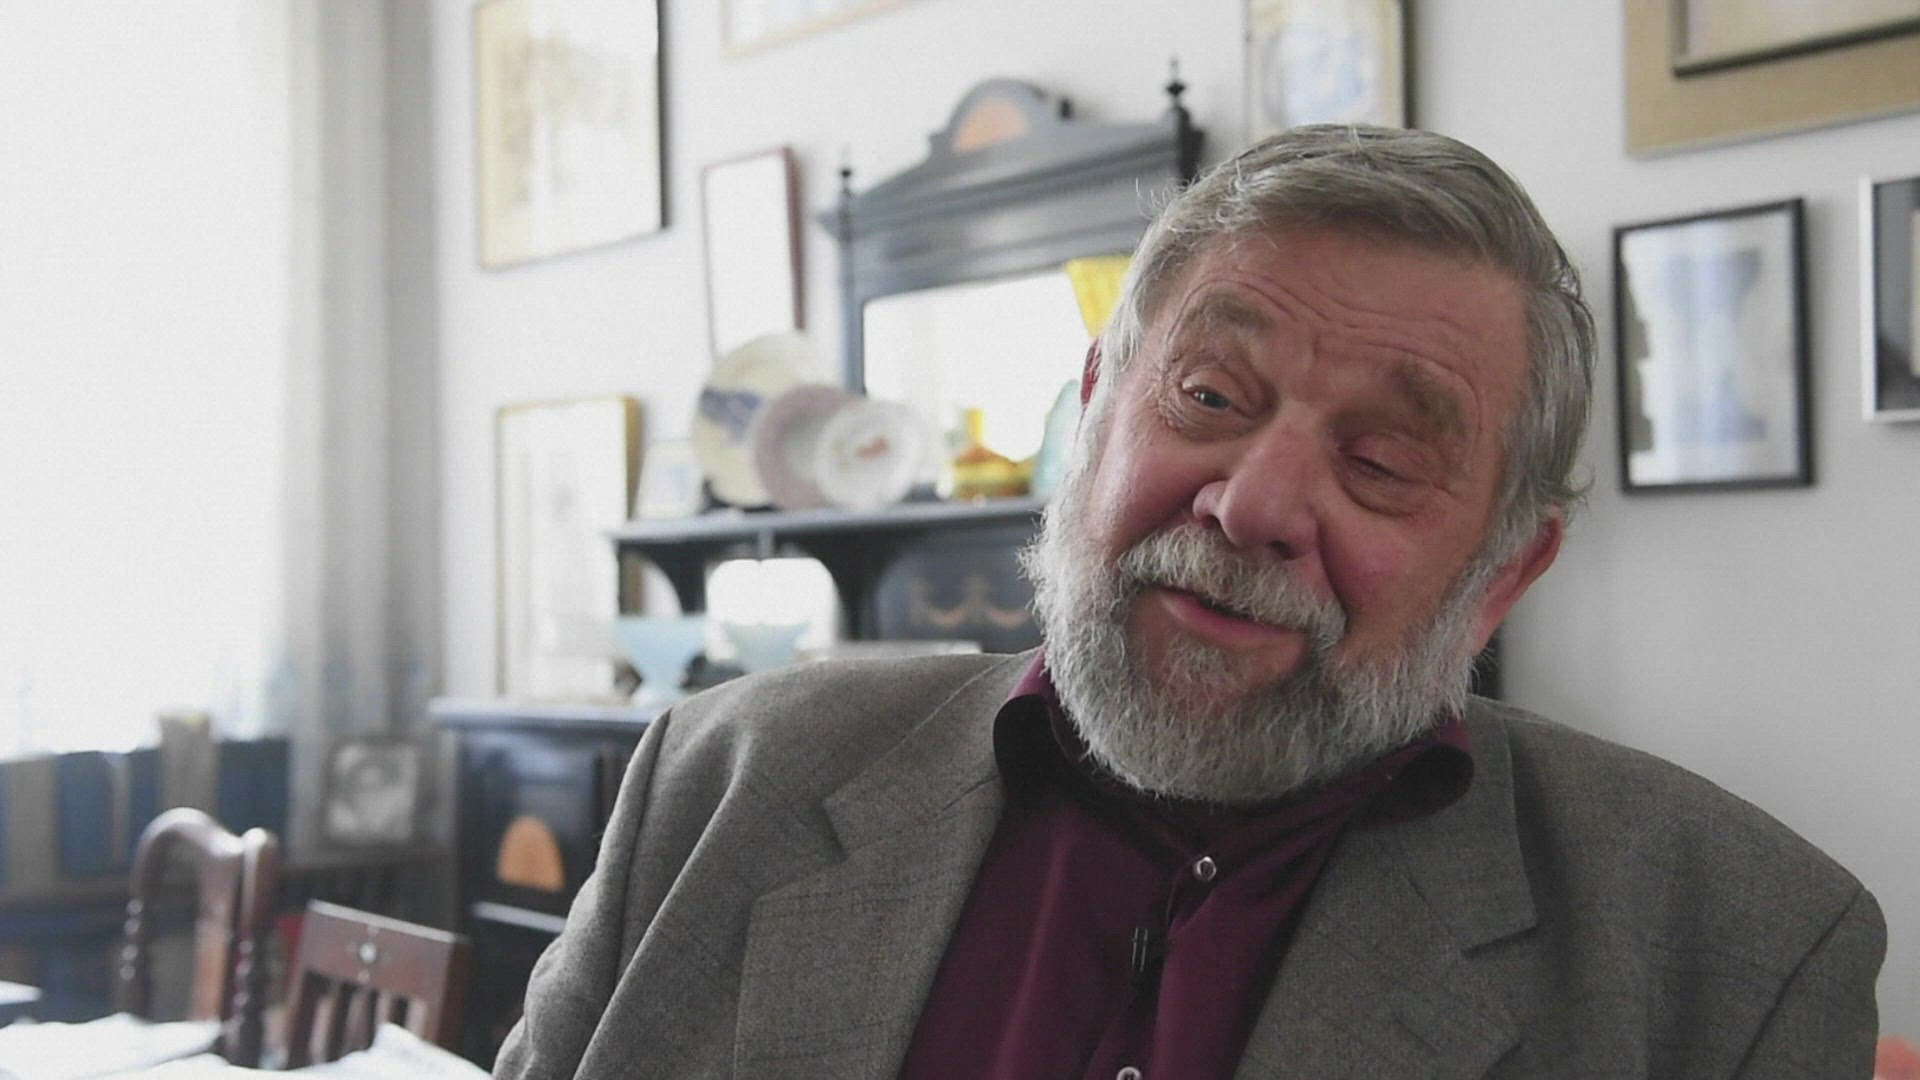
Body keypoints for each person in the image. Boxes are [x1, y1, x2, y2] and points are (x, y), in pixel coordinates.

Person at [495, 125, 1885, 1079]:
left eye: (1382, 461)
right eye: (1210, 395)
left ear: (1504, 577)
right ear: (1095, 414)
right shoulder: (721, 786)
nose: (1255, 501)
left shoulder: (1732, 952)